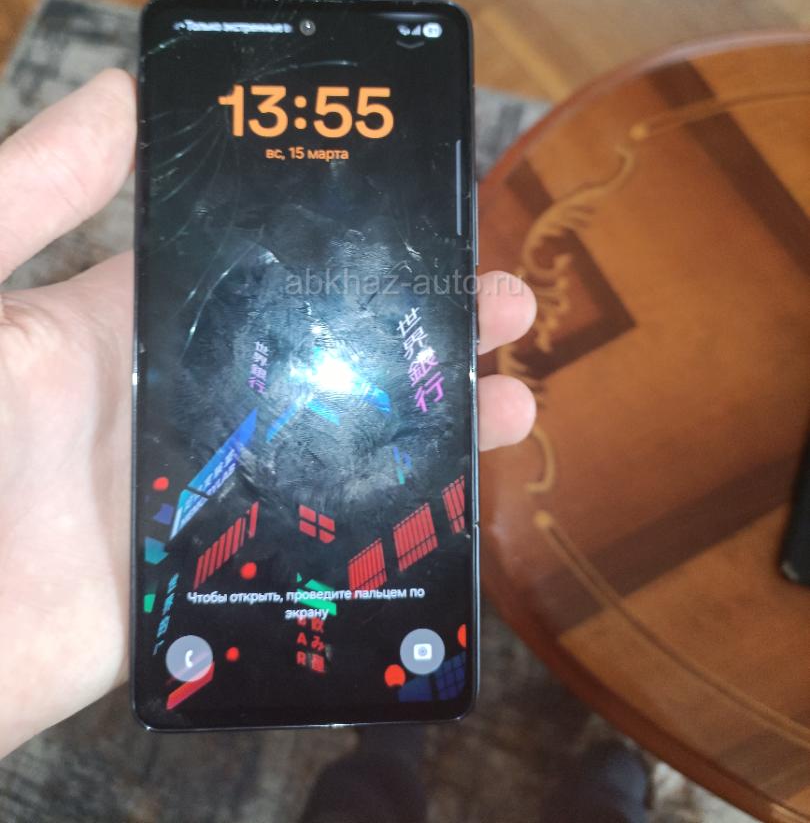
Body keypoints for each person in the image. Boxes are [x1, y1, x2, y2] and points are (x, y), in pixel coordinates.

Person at [0, 71, 649, 821]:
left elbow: (398, 439)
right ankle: (424, 763)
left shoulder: (357, 368)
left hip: (313, 474)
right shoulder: (266, 356)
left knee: (359, 796)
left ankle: (389, 759)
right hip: (274, 465)